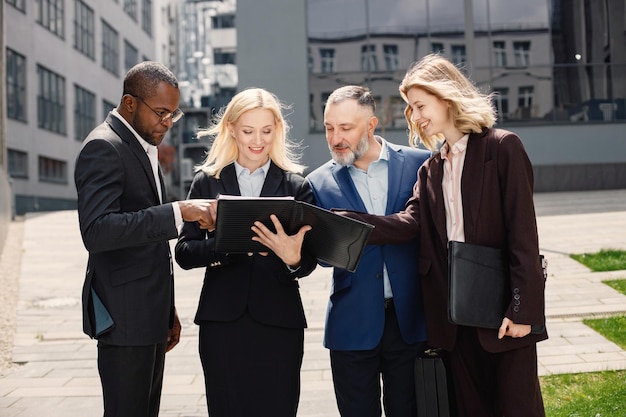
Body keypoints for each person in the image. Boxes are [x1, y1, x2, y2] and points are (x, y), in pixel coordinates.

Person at [340, 54, 548, 417]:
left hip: (503, 312)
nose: (416, 116)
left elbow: (523, 236)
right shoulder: (431, 169)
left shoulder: (502, 148)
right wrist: (344, 223)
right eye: (411, 108)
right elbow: (407, 224)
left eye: (420, 105)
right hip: (455, 316)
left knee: (517, 408)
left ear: (447, 96)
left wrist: (522, 309)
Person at [74, 61, 215, 417]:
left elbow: (145, 245)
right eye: (162, 112)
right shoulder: (104, 147)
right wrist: (176, 212)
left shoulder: (140, 146)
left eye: (174, 114)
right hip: (124, 321)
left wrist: (166, 310)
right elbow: (97, 231)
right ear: (130, 103)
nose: (168, 122)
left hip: (146, 315)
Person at [174, 87, 317, 417]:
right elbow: (184, 252)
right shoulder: (206, 183)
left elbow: (307, 261)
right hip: (222, 322)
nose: (258, 140)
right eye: (249, 131)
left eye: (266, 131)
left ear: (277, 130)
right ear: (232, 129)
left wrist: (291, 256)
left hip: (280, 321)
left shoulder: (297, 186)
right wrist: (225, 246)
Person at [306, 85, 431, 417]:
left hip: (411, 322)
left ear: (371, 125)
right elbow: (317, 256)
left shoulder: (421, 164)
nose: (335, 137)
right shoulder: (317, 182)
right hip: (352, 324)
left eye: (345, 127)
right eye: (330, 127)